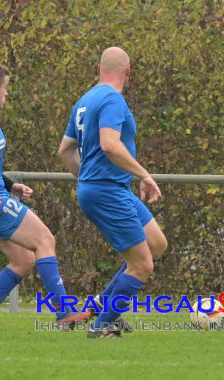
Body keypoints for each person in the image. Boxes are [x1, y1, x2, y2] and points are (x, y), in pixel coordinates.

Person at [0, 61, 91, 330]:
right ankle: (64, 313)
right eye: (5, 88)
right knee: (45, 239)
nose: (7, 94)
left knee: (23, 260)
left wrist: (12, 185)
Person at [58, 47, 168, 339]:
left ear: (98, 67)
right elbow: (110, 144)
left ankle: (100, 307)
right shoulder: (112, 100)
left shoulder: (84, 101)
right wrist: (143, 174)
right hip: (108, 190)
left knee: (156, 244)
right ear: (128, 72)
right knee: (143, 264)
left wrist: (86, 180)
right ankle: (103, 325)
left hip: (110, 187)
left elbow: (65, 150)